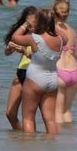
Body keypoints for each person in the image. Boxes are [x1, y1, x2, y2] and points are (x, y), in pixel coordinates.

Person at [7, 7, 62, 136]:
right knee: (50, 119)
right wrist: (52, 23)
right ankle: (52, 146)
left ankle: (30, 147)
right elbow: (63, 36)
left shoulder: (34, 38)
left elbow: (15, 37)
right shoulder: (60, 39)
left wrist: (26, 23)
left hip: (35, 79)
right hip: (53, 78)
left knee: (28, 117)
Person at [2, 6, 37, 130]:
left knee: (28, 116)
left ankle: (30, 140)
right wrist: (10, 48)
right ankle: (20, 135)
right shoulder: (21, 35)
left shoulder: (40, 36)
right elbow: (7, 53)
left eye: (33, 23)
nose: (30, 26)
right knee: (10, 114)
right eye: (27, 23)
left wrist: (22, 50)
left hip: (34, 75)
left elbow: (40, 57)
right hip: (20, 73)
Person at [51, 0, 77, 125]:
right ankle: (68, 140)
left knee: (57, 112)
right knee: (66, 111)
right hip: (74, 73)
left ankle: (59, 143)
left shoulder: (51, 29)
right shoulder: (72, 31)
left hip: (60, 71)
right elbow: (76, 54)